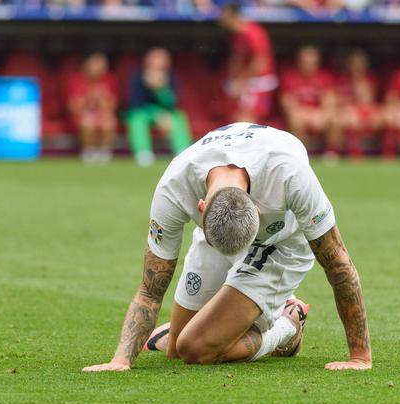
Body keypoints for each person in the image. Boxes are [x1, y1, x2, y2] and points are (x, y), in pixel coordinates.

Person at [83, 122, 372, 373]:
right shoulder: (173, 187)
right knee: (175, 349)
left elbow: (338, 264)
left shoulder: (292, 175)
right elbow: (151, 288)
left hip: (280, 243)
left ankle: (288, 325)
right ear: (201, 207)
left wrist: (359, 357)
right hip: (224, 227)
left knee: (195, 349)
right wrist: (121, 360)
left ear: (257, 212)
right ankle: (226, 320)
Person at [125, 48, 192, 167]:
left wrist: (161, 89)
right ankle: (143, 153)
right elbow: (134, 103)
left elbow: (173, 104)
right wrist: (156, 114)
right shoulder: (138, 77)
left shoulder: (171, 77)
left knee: (179, 117)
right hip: (144, 113)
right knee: (136, 119)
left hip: (166, 114)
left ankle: (182, 152)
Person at [218, 2, 278, 123]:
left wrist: (241, 82)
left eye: (223, 14)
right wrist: (233, 80)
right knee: (235, 118)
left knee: (246, 120)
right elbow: (237, 59)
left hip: (259, 82)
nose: (220, 17)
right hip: (245, 82)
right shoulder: (237, 35)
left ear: (232, 15)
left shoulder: (253, 32)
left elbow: (261, 62)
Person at [280, 46, 341, 155]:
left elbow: (330, 101)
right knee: (295, 119)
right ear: (299, 62)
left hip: (319, 114)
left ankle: (331, 153)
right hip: (300, 114)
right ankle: (300, 154)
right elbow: (288, 104)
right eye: (305, 62)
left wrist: (321, 115)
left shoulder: (324, 77)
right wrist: (308, 114)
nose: (308, 65)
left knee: (335, 119)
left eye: (312, 62)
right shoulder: (290, 77)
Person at [66, 52, 118, 163]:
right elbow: (73, 107)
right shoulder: (76, 80)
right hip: (82, 115)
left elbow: (112, 105)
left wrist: (101, 100)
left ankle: (105, 153)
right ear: (87, 65)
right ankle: (89, 152)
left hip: (102, 113)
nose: (100, 69)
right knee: (88, 121)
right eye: (96, 64)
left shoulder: (109, 80)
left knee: (108, 122)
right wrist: (89, 99)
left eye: (103, 66)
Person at [336, 48, 381, 160]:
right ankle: (352, 154)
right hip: (346, 113)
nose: (357, 66)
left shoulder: (370, 79)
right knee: (350, 117)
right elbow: (336, 101)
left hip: (366, 111)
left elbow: (367, 101)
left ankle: (387, 155)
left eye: (360, 63)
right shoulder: (341, 80)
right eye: (354, 63)